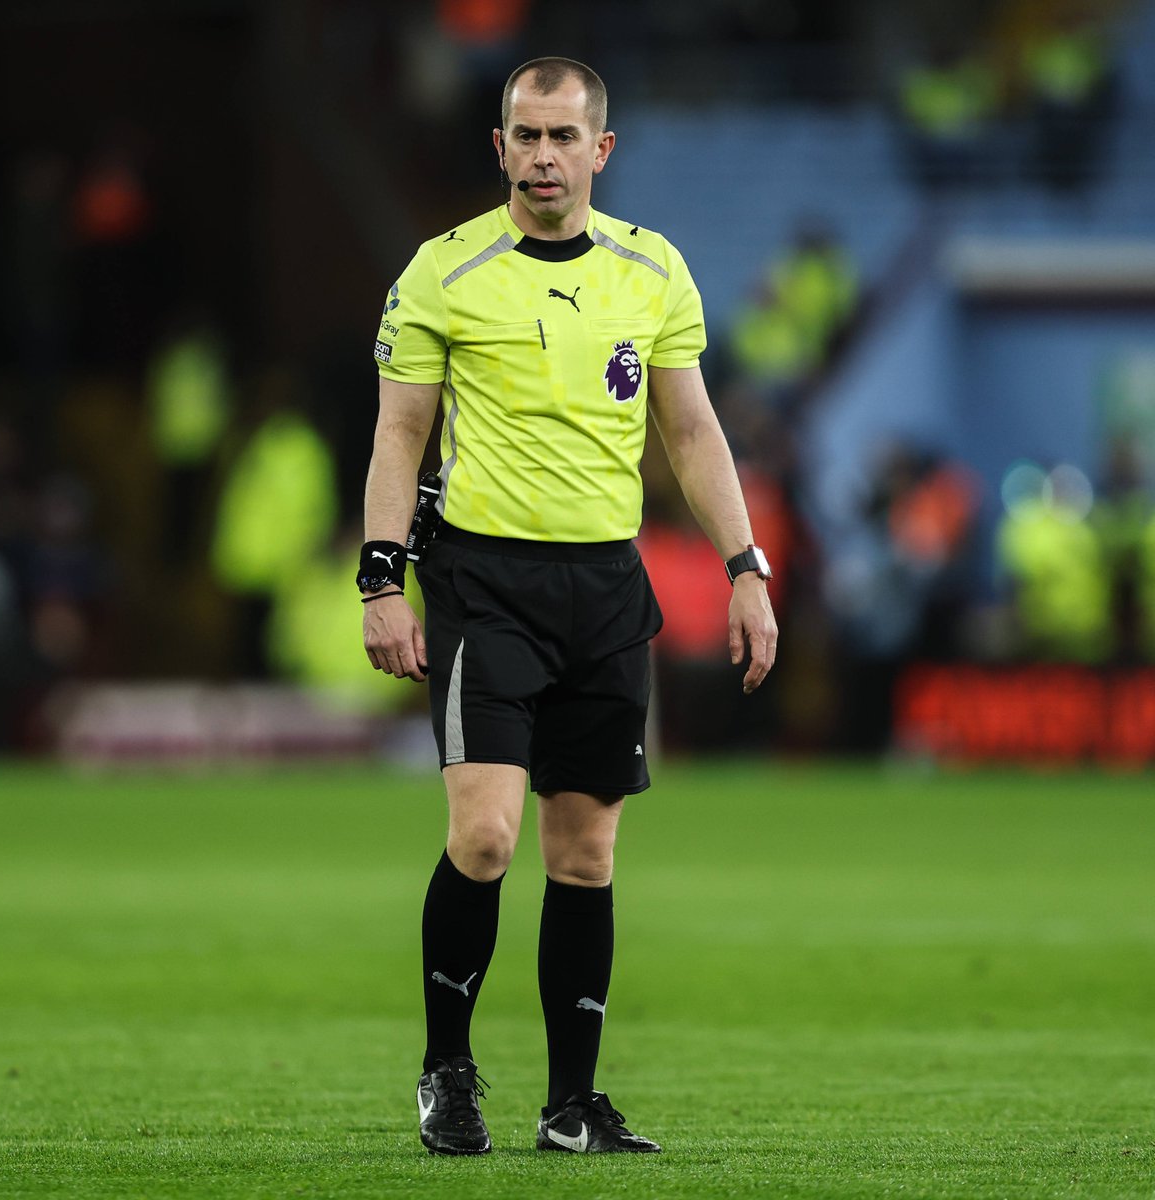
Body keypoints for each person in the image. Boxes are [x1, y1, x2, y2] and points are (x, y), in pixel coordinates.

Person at [360, 56, 777, 1156]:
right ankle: (448, 1071)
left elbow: (690, 432)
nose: (543, 155)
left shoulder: (654, 272)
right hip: (482, 585)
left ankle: (571, 1106)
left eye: (563, 136)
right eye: (525, 135)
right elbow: (400, 435)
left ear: (602, 150)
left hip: (604, 586)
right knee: (488, 839)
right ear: (498, 147)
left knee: (585, 858)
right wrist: (381, 576)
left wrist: (745, 569)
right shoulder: (444, 272)